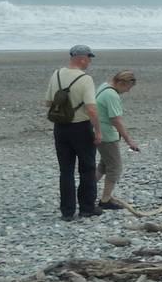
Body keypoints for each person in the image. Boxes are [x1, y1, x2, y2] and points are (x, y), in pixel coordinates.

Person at [44, 44, 102, 220]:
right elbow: (91, 108)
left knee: (66, 170)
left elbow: (48, 102)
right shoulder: (85, 79)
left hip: (60, 127)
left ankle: (67, 211)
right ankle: (87, 207)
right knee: (87, 168)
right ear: (82, 58)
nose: (90, 62)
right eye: (89, 58)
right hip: (81, 127)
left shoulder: (56, 74)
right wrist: (98, 130)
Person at [96, 70, 141, 209]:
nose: (127, 91)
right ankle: (105, 200)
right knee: (115, 167)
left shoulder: (103, 86)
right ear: (122, 83)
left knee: (104, 165)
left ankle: (85, 191)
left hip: (99, 132)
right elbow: (116, 120)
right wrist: (129, 140)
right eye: (128, 88)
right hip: (107, 135)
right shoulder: (111, 95)